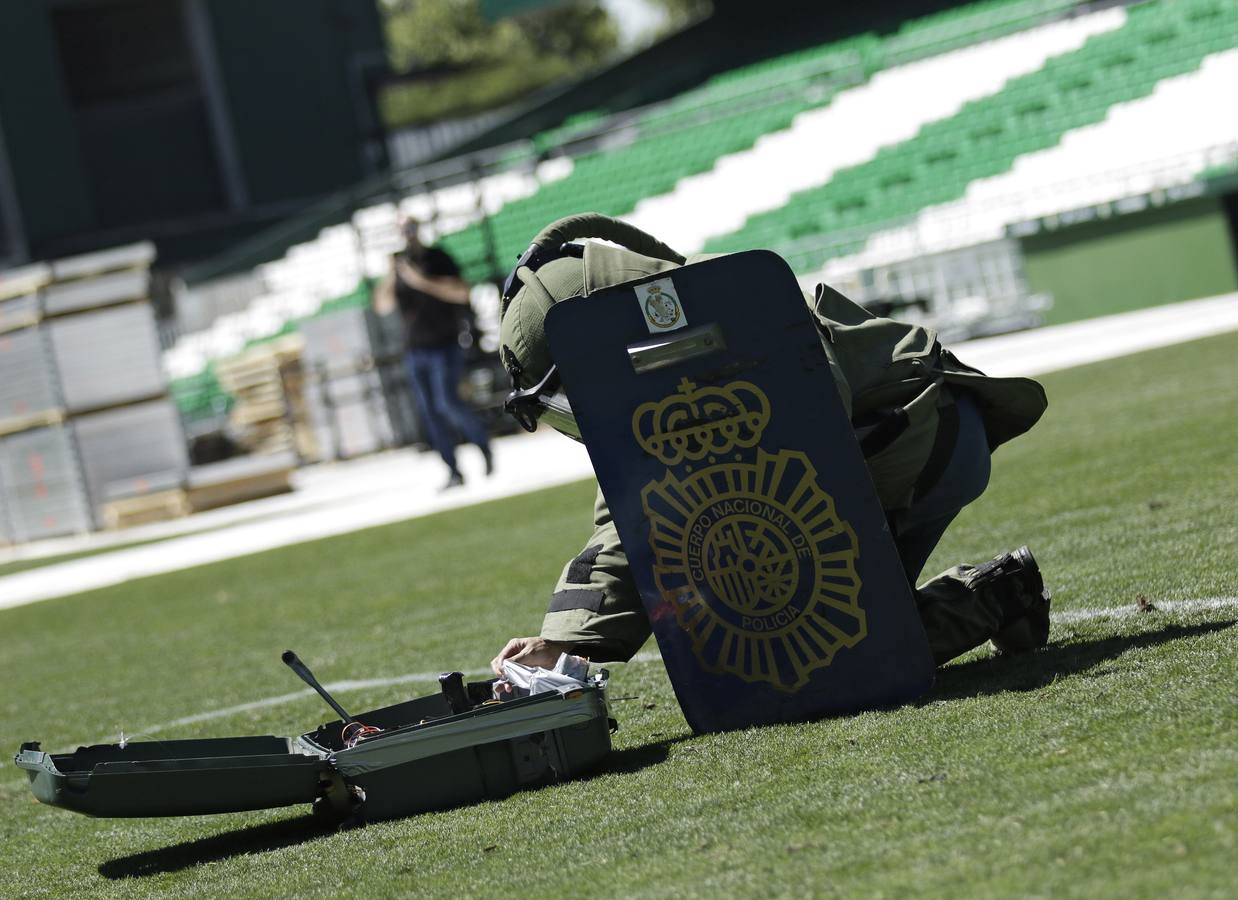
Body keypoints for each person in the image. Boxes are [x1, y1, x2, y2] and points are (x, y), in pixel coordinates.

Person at [489, 213, 1051, 678]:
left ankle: (994, 597)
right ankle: (1004, 593)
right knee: (791, 662)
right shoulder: (666, 357)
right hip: (882, 454)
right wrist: (561, 645)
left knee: (826, 655)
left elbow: (804, 427)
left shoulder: (730, 309)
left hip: (914, 443)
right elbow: (634, 517)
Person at [374, 217, 493, 489]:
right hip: (416, 351)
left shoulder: (437, 259)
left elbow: (462, 293)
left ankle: (482, 445)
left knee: (447, 403)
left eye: (410, 229)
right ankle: (453, 470)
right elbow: (382, 306)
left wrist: (421, 281)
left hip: (444, 345)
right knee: (429, 413)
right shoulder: (398, 269)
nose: (407, 235)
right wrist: (393, 273)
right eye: (402, 231)